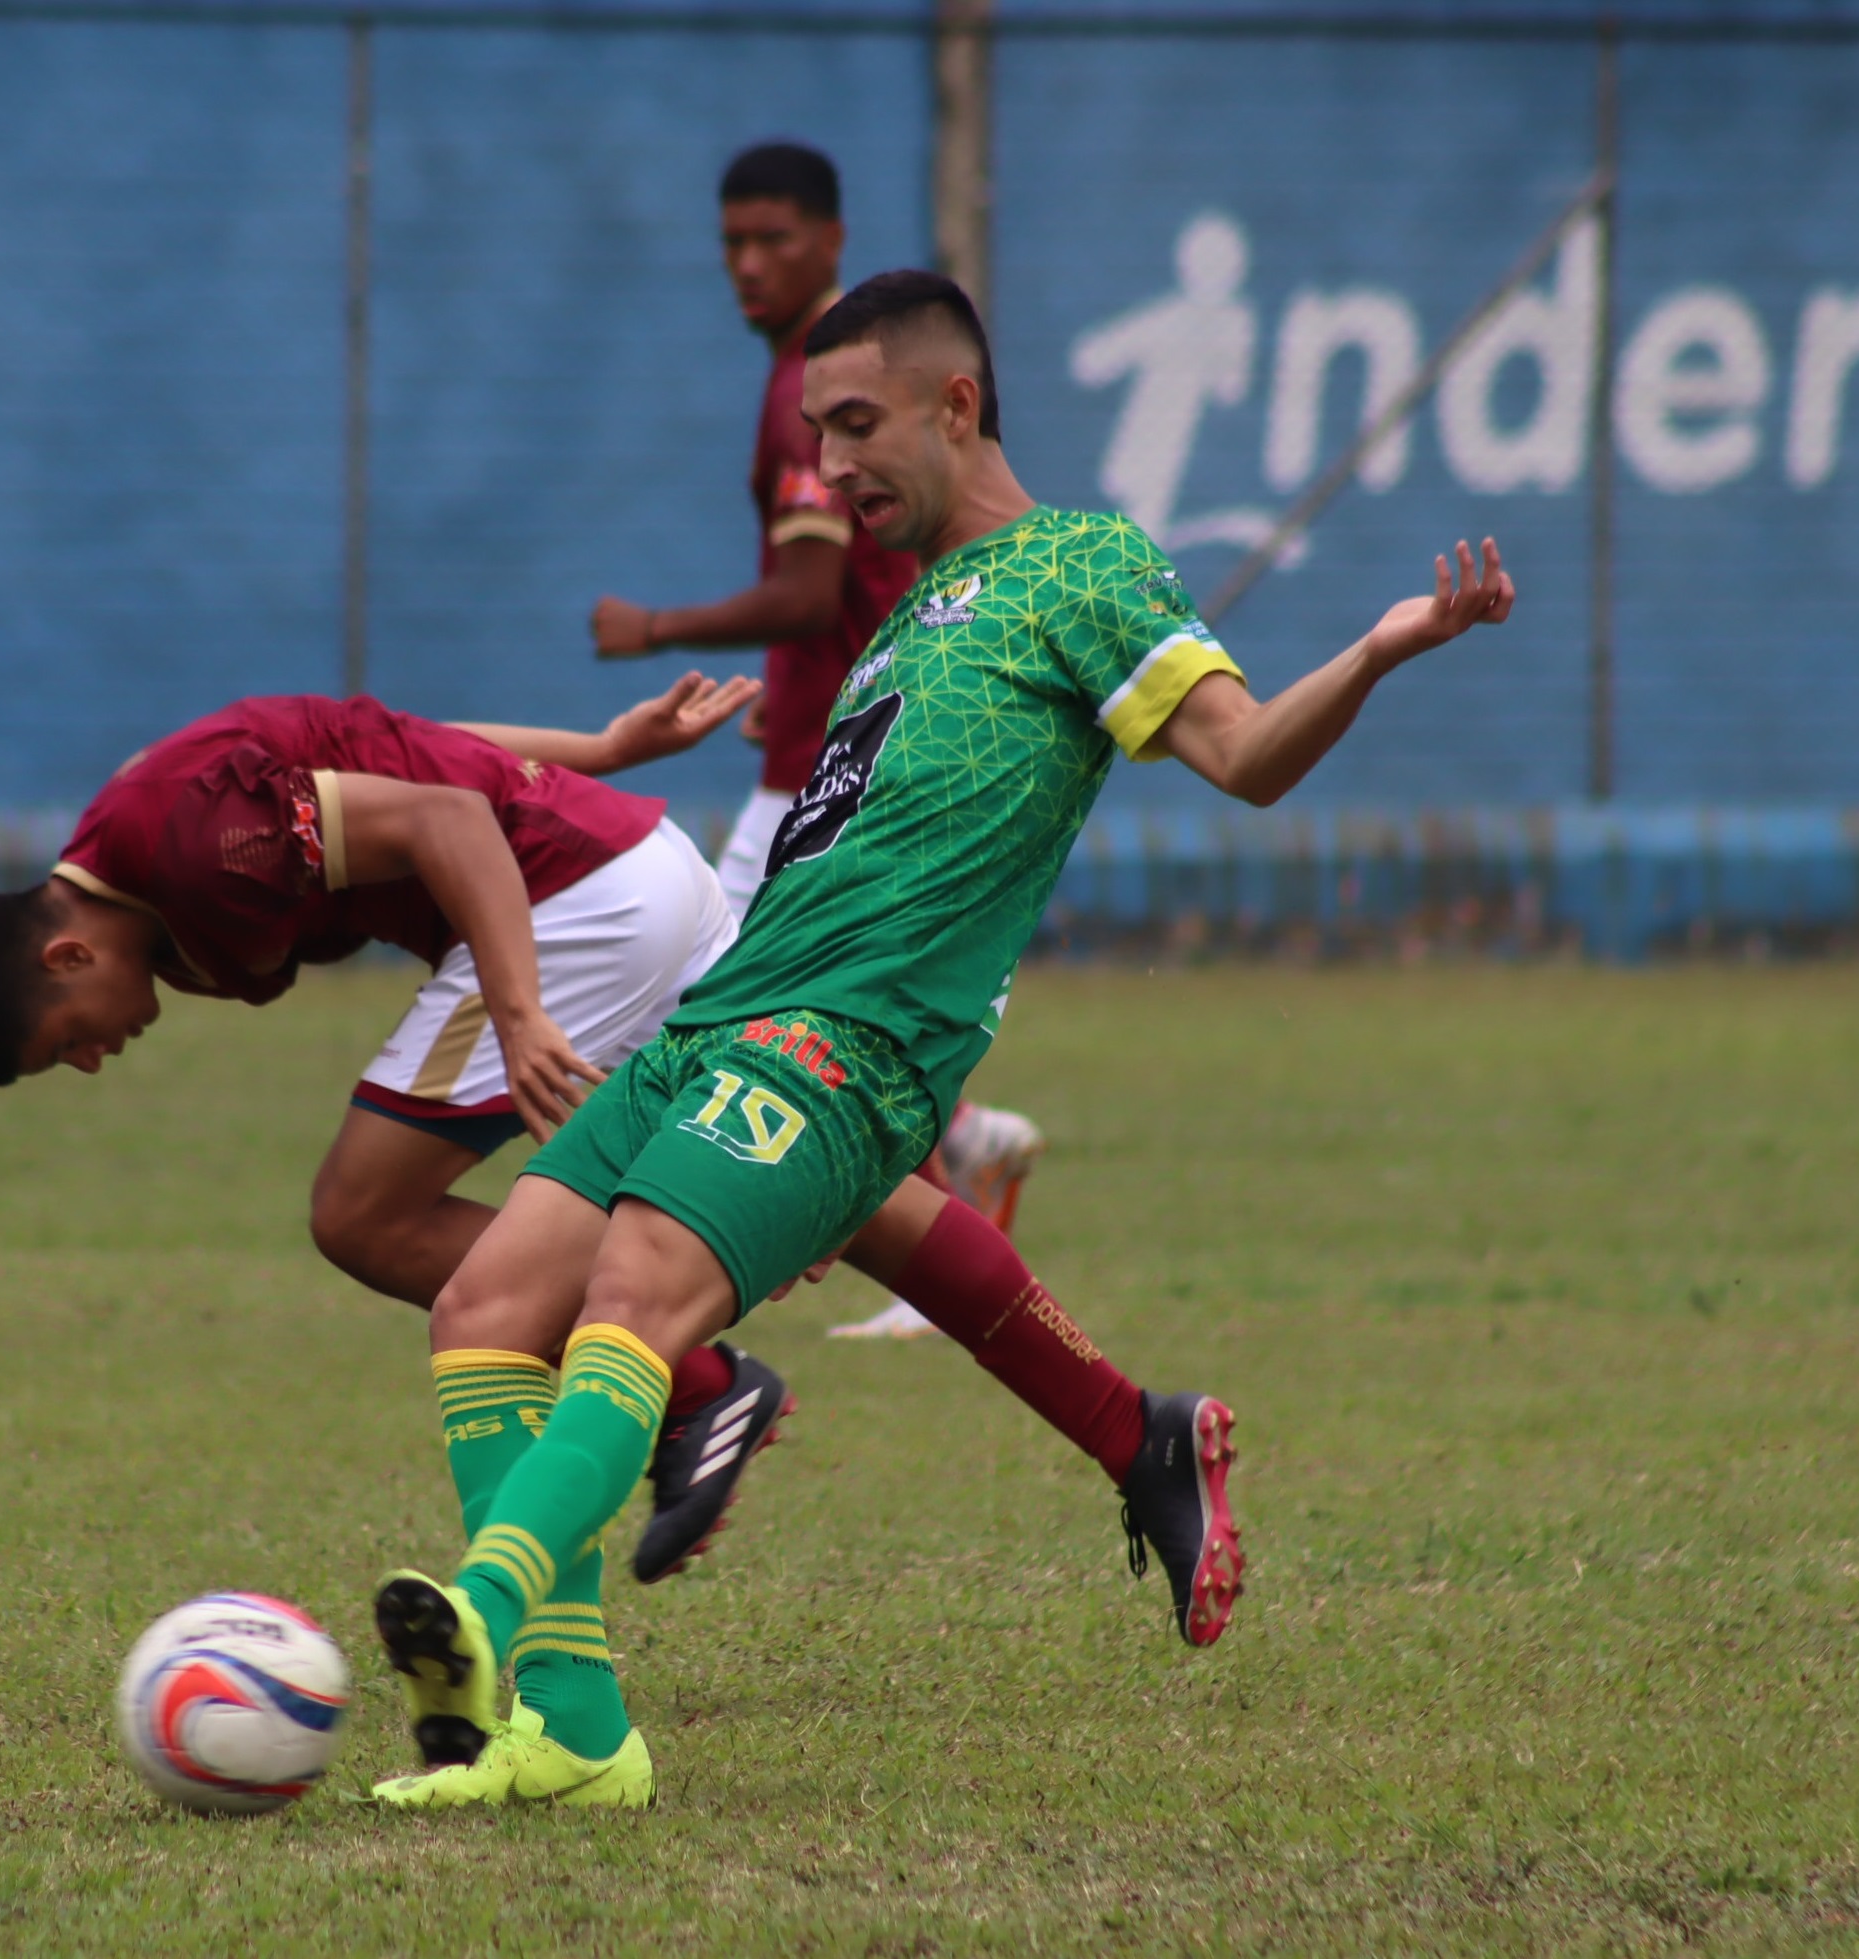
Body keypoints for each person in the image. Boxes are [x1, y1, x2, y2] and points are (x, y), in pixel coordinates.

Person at [367, 270, 1516, 1811]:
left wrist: (1376, 650)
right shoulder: (908, 612)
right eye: (813, 434)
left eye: (852, 427)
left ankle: (487, 1616)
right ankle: (575, 1736)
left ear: (953, 405)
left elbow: (1241, 756)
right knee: (480, 1300)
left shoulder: (1087, 563)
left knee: (634, 1291)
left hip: (847, 1049)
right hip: (716, 1022)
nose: (827, 470)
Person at [0, 670, 1223, 1784]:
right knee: (853, 1190)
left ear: (63, 958)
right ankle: (1132, 1427)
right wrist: (593, 752)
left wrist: (522, 1010)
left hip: (570, 907)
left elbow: (444, 819)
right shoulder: (140, 846)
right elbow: (383, 740)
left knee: (363, 1211)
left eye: (64, 1046)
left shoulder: (191, 847)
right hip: (621, 870)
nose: (92, 1059)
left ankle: (699, 1388)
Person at [590, 140, 1047, 1339]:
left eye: (774, 239)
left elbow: (805, 594)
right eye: (732, 242)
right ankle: (957, 1156)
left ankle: (886, 1236)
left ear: (833, 244)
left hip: (825, 763)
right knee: (765, 1011)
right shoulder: (803, 392)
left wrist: (655, 628)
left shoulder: (826, 398)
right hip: (812, 751)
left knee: (713, 1009)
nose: (748, 264)